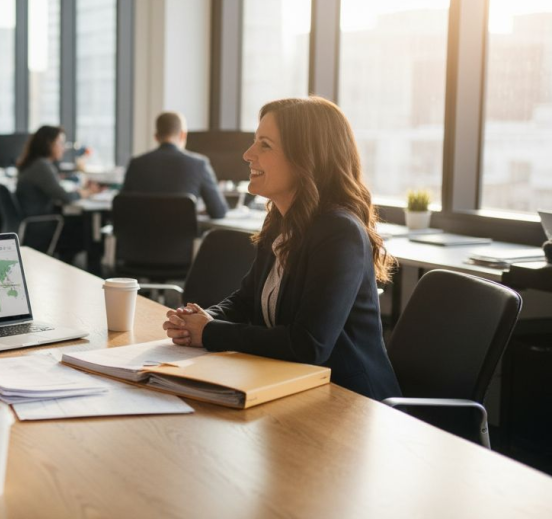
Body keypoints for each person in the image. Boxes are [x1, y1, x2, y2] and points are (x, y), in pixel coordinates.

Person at [162, 97, 401, 401]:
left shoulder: (340, 232)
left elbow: (308, 344)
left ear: (306, 158)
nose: (248, 155)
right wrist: (202, 320)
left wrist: (209, 332)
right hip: (293, 384)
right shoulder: (280, 220)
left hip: (351, 401)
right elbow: (247, 300)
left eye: (265, 145)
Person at [121, 111, 229, 219]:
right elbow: (218, 211)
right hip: (183, 235)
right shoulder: (199, 164)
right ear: (183, 135)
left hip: (140, 234)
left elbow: (123, 207)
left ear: (156, 137)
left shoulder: (136, 164)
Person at [16, 125, 100, 261]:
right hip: (44, 223)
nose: (64, 148)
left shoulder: (34, 163)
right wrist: (87, 193)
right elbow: (65, 197)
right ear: (48, 144)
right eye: (60, 143)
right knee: (86, 227)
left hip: (36, 220)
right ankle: (90, 271)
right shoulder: (41, 166)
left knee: (80, 222)